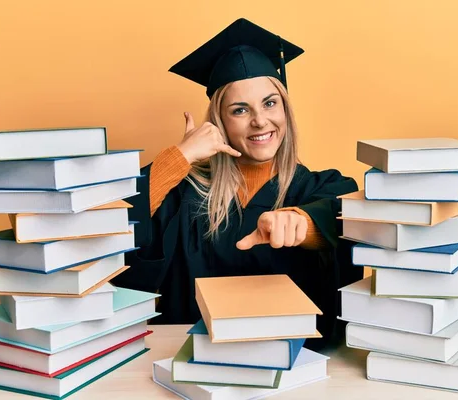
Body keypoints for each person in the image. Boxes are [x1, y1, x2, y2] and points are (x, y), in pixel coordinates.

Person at [113, 18, 361, 350]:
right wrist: (180, 158)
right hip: (188, 360)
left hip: (291, 365)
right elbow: (112, 220)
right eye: (240, 110)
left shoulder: (320, 188)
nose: (260, 120)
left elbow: (339, 213)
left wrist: (303, 224)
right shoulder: (184, 192)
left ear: (285, 110)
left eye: (270, 103)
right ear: (219, 123)